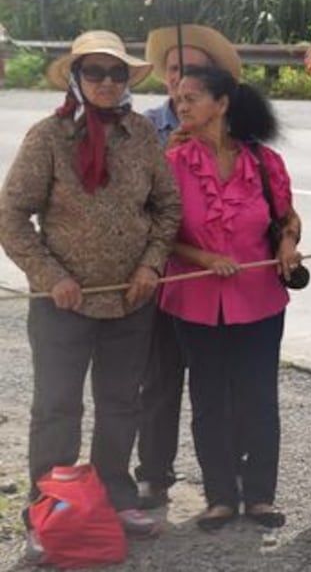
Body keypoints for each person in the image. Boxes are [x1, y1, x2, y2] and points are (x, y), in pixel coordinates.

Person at [0, 31, 182, 554]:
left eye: (117, 73)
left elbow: (167, 207)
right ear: (77, 78)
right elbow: (12, 216)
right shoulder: (47, 137)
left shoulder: (143, 134)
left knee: (121, 403)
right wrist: (49, 276)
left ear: (128, 80)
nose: (106, 82)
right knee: (57, 407)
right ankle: (48, 510)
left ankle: (114, 498)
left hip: (130, 300)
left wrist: (150, 266)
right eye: (95, 73)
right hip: (63, 302)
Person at [158, 64, 302, 531]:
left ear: (221, 104)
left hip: (259, 298)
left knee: (259, 396)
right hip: (195, 301)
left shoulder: (263, 162)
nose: (181, 106)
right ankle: (220, 496)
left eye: (191, 98)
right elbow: (157, 234)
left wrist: (287, 245)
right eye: (178, 99)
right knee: (208, 399)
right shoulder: (172, 164)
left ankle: (259, 495)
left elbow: (287, 217)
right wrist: (201, 257)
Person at [134, 24, 242, 510]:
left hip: (215, 283)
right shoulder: (142, 127)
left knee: (219, 385)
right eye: (175, 70)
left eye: (193, 72)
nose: (181, 82)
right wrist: (170, 154)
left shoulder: (232, 134)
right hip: (161, 275)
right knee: (160, 380)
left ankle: (224, 479)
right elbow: (132, 202)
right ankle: (154, 474)